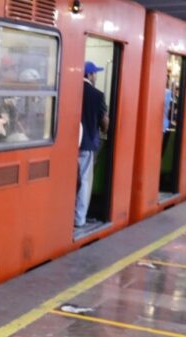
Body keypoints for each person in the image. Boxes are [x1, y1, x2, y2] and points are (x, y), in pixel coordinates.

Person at [75, 61, 108, 228]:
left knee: (71, 181)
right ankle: (79, 218)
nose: (96, 76)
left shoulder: (71, 90)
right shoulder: (97, 95)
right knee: (84, 182)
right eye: (95, 73)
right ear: (89, 75)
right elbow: (104, 122)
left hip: (68, 146)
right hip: (87, 145)